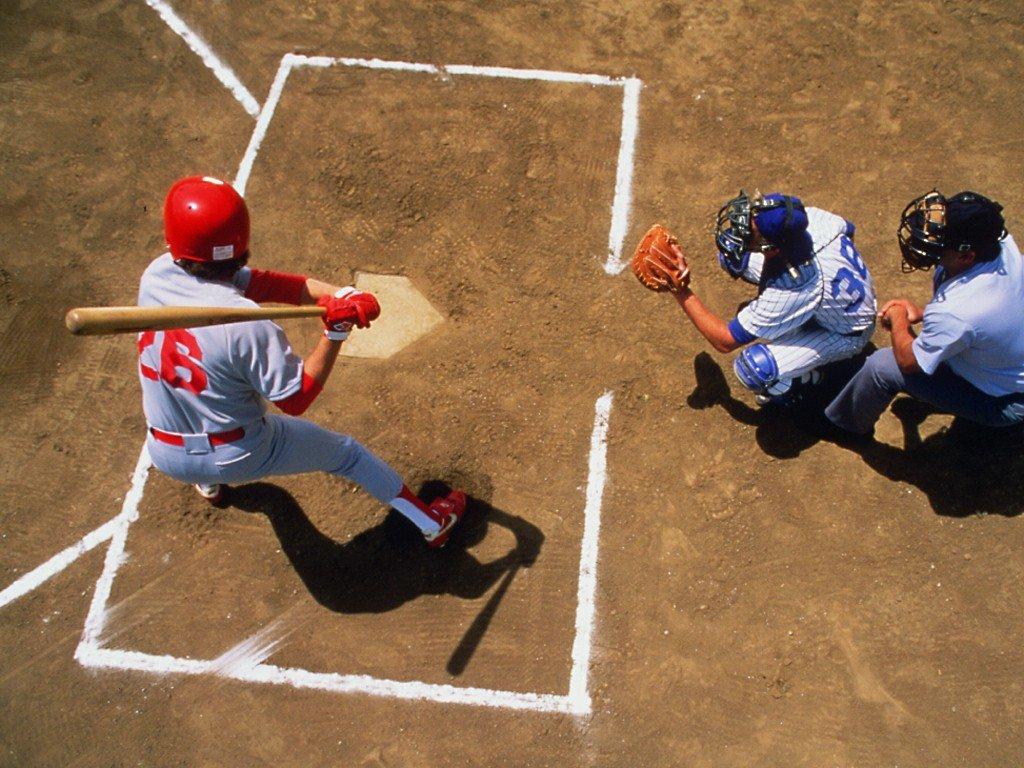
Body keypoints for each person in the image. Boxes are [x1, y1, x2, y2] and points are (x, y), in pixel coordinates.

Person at [137, 175, 465, 548]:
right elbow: (295, 399)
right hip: (237, 454)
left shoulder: (155, 276)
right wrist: (335, 333)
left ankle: (210, 487)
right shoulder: (247, 326)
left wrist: (339, 295)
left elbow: (264, 284)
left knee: (189, 388)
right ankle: (433, 523)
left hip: (165, 454)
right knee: (348, 455)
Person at [825, 190, 1024, 438]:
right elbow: (977, 316)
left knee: (881, 366)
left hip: (1007, 402)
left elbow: (908, 362)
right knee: (944, 274)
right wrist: (923, 313)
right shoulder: (1000, 244)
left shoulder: (957, 312)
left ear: (966, 255)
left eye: (939, 245)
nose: (927, 240)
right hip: (1007, 361)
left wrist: (898, 315)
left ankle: (845, 426)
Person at [664, 190, 877, 405]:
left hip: (846, 335)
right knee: (733, 258)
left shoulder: (793, 288)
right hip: (837, 297)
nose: (745, 226)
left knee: (754, 368)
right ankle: (813, 316)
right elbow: (849, 230)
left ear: (773, 247)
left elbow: (724, 341)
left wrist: (680, 290)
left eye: (752, 230)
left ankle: (808, 383)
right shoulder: (811, 219)